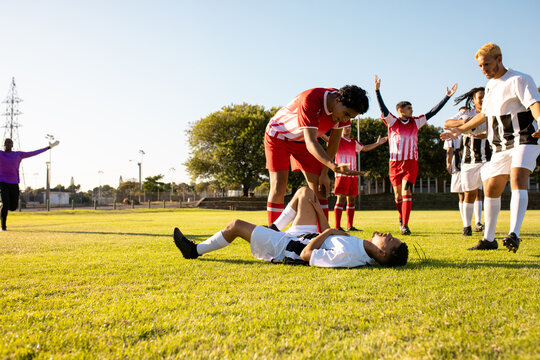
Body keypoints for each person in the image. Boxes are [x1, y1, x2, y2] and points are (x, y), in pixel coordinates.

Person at [441, 42, 540, 252]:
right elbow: (483, 115)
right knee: (491, 188)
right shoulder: (490, 86)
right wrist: (460, 130)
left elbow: (534, 103)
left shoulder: (519, 79)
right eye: (480, 66)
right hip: (500, 147)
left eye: (486, 64)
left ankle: (514, 234)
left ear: (499, 59)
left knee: (517, 178)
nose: (483, 69)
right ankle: (489, 239)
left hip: (524, 139)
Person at [173, 186, 409, 268]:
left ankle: (194, 251)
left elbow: (307, 255)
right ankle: (274, 227)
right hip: (305, 235)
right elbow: (330, 234)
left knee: (235, 225)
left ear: (382, 253)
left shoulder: (349, 256)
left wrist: (327, 231)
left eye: (389, 239)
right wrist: (320, 215)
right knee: (305, 193)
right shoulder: (364, 246)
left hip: (288, 247)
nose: (387, 234)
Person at [265, 86, 369, 228]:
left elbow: (333, 143)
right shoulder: (311, 99)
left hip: (303, 141)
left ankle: (323, 236)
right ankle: (272, 237)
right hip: (279, 136)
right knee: (278, 186)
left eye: (350, 117)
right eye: (346, 114)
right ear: (338, 100)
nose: (346, 119)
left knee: (321, 188)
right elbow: (311, 142)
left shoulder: (344, 110)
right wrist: (334, 166)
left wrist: (325, 173)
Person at [374, 75, 457, 235]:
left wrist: (446, 97)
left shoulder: (416, 122)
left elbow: (432, 112)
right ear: (400, 111)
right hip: (394, 163)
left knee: (407, 191)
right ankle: (401, 217)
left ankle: (405, 224)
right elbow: (383, 109)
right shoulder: (392, 122)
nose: (412, 110)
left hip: (411, 163)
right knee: (398, 195)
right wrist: (377, 91)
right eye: (409, 108)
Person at [444, 88, 491, 236]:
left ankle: (487, 226)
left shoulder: (493, 112)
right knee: (469, 194)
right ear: (473, 100)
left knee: (490, 192)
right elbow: (447, 122)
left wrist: (483, 135)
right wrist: (463, 122)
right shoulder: (467, 113)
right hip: (469, 161)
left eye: (486, 96)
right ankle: (467, 226)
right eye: (480, 97)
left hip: (489, 160)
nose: (483, 99)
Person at [322, 126, 387, 231]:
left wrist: (378, 143)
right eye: (345, 127)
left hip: (353, 176)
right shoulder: (337, 139)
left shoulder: (353, 142)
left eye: (349, 127)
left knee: (352, 199)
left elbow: (364, 148)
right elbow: (326, 138)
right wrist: (318, 131)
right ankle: (337, 227)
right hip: (341, 175)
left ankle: (350, 226)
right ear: (341, 129)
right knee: (341, 198)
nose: (348, 129)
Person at [0, 138, 60, 231]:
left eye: (9, 143)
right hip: (2, 182)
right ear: (2, 145)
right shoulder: (0, 154)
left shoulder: (18, 154)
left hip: (14, 183)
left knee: (12, 207)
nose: (7, 144)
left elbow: (34, 152)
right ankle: (3, 226)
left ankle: (3, 205)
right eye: (5, 143)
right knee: (5, 203)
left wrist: (50, 147)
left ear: (12, 145)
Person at [443, 132, 465, 232]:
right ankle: (466, 223)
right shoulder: (451, 135)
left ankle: (477, 222)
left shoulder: (470, 130)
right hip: (458, 164)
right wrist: (448, 163)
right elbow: (449, 150)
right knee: (461, 194)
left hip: (472, 161)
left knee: (476, 192)